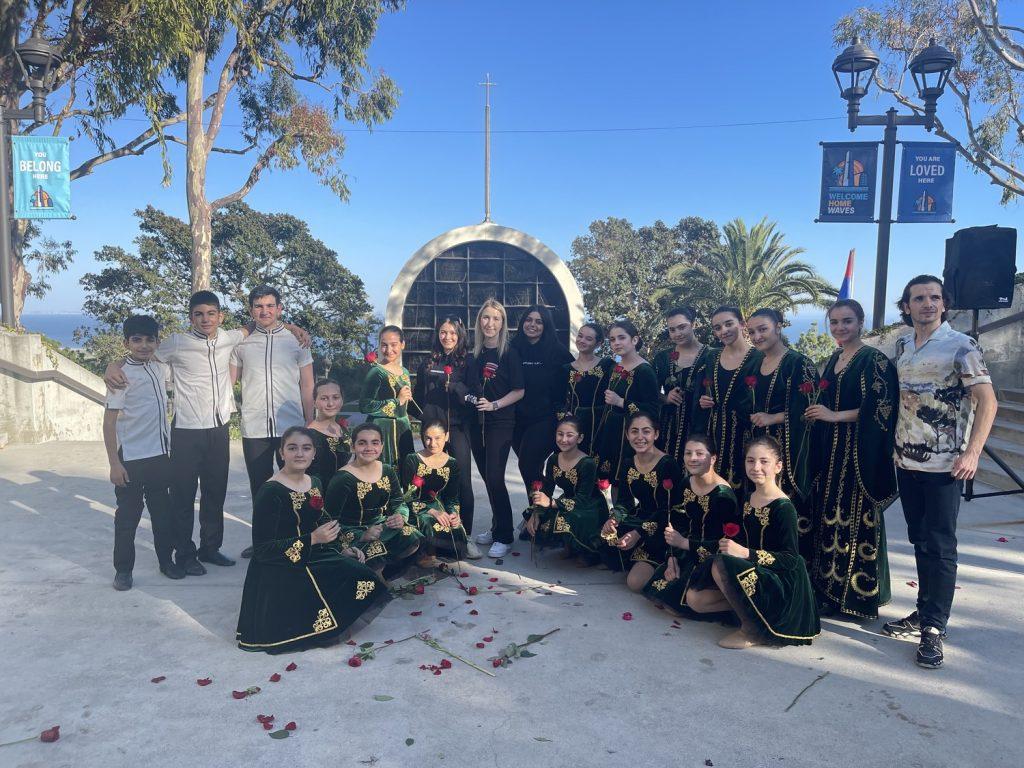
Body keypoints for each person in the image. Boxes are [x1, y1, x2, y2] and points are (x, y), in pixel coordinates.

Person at [103, 290, 309, 572]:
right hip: (186, 431)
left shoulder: (229, 338)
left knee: (215, 493)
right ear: (190, 318)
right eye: (198, 314)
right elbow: (140, 356)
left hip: (219, 429)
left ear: (220, 316)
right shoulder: (176, 343)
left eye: (211, 314)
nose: (205, 319)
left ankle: (210, 548)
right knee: (184, 496)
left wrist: (294, 328)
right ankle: (185, 555)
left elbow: (257, 324)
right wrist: (111, 365)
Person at [883, 275, 997, 669]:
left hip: (947, 466)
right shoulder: (903, 344)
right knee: (920, 540)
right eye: (919, 298)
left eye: (934, 297)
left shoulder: (961, 346)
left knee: (941, 545)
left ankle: (934, 628)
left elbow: (988, 402)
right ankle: (923, 612)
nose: (927, 304)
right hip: (907, 462)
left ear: (944, 304)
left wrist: (973, 452)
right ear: (907, 306)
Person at [236, 426, 388, 653]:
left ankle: (331, 623)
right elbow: (263, 549)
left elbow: (322, 520)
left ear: (314, 453)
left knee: (365, 577)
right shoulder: (270, 492)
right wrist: (312, 540)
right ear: (281, 453)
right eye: (292, 448)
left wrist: (341, 548)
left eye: (306, 448)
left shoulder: (314, 482)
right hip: (279, 566)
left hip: (312, 550)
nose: (299, 454)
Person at [805, 299, 898, 621]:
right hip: (832, 455)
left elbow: (883, 407)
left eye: (847, 321)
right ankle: (830, 591)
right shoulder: (834, 359)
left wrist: (834, 416)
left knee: (857, 519)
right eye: (834, 322)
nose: (840, 328)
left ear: (860, 322)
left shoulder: (874, 360)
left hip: (858, 455)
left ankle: (857, 597)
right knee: (830, 517)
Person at [685, 436, 819, 649]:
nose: (756, 467)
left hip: (780, 581)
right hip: (754, 572)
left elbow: (791, 559)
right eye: (750, 461)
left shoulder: (783, 508)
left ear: (778, 466)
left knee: (721, 563)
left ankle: (753, 630)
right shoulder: (749, 498)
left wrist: (746, 553)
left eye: (764, 461)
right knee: (695, 600)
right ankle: (746, 609)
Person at [230, 285, 314, 559]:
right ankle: (264, 543)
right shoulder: (241, 343)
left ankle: (298, 540)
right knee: (261, 489)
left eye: (270, 306)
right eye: (258, 306)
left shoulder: (296, 341)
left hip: (290, 427)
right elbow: (230, 382)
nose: (264, 311)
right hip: (254, 426)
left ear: (279, 308)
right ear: (251, 310)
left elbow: (307, 385)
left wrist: (310, 423)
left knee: (295, 484)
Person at [103, 315, 185, 589]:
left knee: (163, 516)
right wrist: (114, 464)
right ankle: (123, 571)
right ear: (126, 342)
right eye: (136, 340)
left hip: (161, 458)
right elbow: (109, 422)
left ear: (157, 342)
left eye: (149, 340)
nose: (143, 345)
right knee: (127, 519)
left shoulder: (159, 368)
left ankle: (166, 561)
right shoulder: (121, 376)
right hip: (132, 459)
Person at [745, 308, 817, 550]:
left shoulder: (798, 363)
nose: (757, 336)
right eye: (752, 332)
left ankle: (788, 571)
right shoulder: (756, 364)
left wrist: (773, 418)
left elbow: (811, 411)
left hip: (788, 452)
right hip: (758, 448)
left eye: (762, 329)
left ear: (778, 326)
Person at [643, 434, 740, 613]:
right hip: (685, 553)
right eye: (688, 453)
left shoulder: (723, 497)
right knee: (660, 596)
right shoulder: (686, 483)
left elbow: (727, 546)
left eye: (699, 453)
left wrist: (684, 543)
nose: (692, 458)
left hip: (711, 559)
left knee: (676, 605)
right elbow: (678, 524)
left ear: (713, 458)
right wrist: (672, 558)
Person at [413, 315, 481, 558]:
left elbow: (475, 397)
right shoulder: (428, 362)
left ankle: (466, 535)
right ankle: (437, 535)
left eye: (452, 333)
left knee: (462, 481)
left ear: (460, 335)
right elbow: (419, 397)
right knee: (432, 480)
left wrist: (455, 387)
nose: (447, 337)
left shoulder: (469, 362)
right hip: (433, 431)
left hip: (459, 429)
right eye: (443, 332)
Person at [467, 299, 525, 559]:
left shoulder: (509, 354)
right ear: (480, 321)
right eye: (486, 318)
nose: (490, 323)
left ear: (503, 324)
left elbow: (519, 390)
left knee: (495, 477)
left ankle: (504, 535)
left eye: (496, 318)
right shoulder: (475, 354)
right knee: (486, 477)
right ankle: (496, 525)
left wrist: (495, 405)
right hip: (477, 423)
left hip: (501, 422)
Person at [599, 412, 683, 591]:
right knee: (604, 534)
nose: (640, 437)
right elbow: (624, 501)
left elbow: (668, 510)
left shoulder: (668, 464)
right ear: (627, 434)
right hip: (638, 518)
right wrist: (614, 518)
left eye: (646, 431)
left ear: (656, 434)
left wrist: (638, 533)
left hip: (663, 527)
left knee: (634, 583)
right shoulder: (628, 462)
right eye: (634, 431)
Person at [325, 422, 423, 575]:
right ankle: (372, 576)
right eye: (362, 443)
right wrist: (362, 535)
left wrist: (400, 516)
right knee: (373, 550)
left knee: (411, 536)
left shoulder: (387, 470)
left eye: (375, 443)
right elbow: (329, 520)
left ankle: (385, 573)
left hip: (380, 527)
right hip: (351, 531)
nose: (369, 448)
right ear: (353, 446)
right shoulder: (343, 478)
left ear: (382, 446)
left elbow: (398, 502)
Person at [691, 306, 763, 490]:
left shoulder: (759, 357)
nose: (723, 331)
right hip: (712, 435)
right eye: (717, 327)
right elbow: (700, 391)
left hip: (745, 437)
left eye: (728, 324)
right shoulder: (711, 356)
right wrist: (702, 401)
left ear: (741, 324)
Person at [523, 415, 609, 562]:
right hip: (566, 500)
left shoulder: (587, 463)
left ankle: (586, 551)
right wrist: (536, 511)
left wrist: (551, 503)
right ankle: (570, 548)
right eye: (560, 434)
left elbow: (583, 499)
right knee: (536, 516)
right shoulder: (553, 459)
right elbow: (547, 488)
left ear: (580, 438)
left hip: (589, 506)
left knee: (563, 520)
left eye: (570, 435)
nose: (563, 439)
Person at [511, 305, 574, 498]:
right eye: (529, 320)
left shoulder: (558, 351)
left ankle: (542, 507)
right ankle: (537, 513)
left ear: (546, 325)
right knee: (531, 469)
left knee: (527, 463)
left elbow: (575, 380)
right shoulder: (513, 348)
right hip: (516, 420)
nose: (533, 325)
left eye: (539, 321)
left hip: (545, 419)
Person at [593, 320, 660, 486]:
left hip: (628, 438)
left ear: (635, 340)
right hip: (610, 433)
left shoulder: (644, 370)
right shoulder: (615, 367)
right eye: (612, 339)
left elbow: (652, 408)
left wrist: (621, 401)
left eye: (621, 338)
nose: (616, 343)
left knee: (622, 483)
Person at [400, 418, 467, 567]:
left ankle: (436, 551)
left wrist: (454, 514)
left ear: (447, 437)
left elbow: (452, 497)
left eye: (438, 438)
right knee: (428, 523)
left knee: (456, 530)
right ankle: (425, 554)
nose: (432, 443)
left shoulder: (452, 463)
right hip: (414, 507)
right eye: (428, 438)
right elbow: (407, 497)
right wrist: (432, 512)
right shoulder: (412, 460)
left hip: (437, 505)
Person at [651, 307, 708, 463]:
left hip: (701, 425)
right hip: (668, 427)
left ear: (693, 324)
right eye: (672, 329)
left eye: (682, 327)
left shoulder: (711, 356)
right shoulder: (662, 358)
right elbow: (650, 391)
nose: (677, 333)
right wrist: (665, 398)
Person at [360, 325, 419, 468]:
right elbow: (365, 405)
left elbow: (406, 404)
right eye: (384, 345)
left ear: (402, 345)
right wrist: (396, 401)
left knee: (406, 472)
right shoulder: (376, 372)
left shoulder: (404, 372)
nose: (389, 350)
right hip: (382, 430)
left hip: (403, 429)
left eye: (394, 345)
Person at [559, 322, 614, 455]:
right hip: (575, 424)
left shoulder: (607, 365)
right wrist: (564, 415)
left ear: (599, 344)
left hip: (602, 423)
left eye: (588, 339)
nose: (582, 341)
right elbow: (557, 399)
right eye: (580, 336)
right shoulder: (566, 369)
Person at [307, 379, 351, 489]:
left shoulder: (343, 430)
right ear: (314, 403)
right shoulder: (308, 436)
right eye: (324, 398)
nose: (330, 403)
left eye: (335, 397)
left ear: (342, 400)